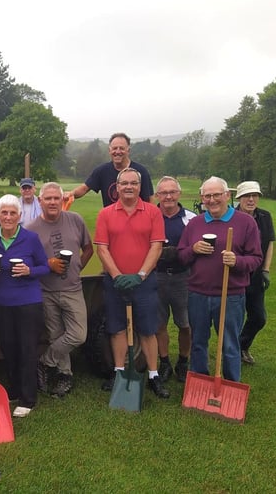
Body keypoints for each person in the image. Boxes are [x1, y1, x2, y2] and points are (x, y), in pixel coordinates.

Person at [177, 176, 262, 382]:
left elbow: (256, 258)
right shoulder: (195, 224)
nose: (212, 200)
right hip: (198, 294)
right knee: (198, 342)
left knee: (230, 344)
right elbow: (181, 255)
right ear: (202, 198)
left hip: (230, 296)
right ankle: (200, 381)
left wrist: (237, 261)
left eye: (216, 195)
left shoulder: (245, 222)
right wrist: (193, 249)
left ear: (227, 195)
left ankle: (232, 383)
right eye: (207, 196)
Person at [94, 167, 169, 399]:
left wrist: (141, 274)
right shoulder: (105, 214)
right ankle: (118, 373)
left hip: (144, 282)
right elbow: (102, 248)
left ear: (140, 187)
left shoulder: (152, 213)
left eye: (133, 183)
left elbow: (156, 246)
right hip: (115, 282)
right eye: (124, 183)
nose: (128, 187)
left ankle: (153, 375)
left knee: (148, 329)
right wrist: (117, 276)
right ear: (117, 187)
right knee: (116, 328)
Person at [26, 182, 93, 398]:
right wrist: (48, 265)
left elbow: (88, 248)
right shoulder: (31, 229)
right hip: (46, 291)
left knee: (78, 335)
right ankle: (65, 375)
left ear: (62, 200)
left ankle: (44, 361)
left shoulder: (75, 220)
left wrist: (77, 267)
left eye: (57, 198)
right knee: (56, 335)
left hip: (73, 288)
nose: (53, 202)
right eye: (48, 198)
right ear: (40, 201)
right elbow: (30, 264)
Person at [0, 194, 49, 417]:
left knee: (27, 349)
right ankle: (14, 389)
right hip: (2, 302)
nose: (9, 217)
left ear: (20, 216)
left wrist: (29, 271)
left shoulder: (30, 238)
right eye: (4, 212)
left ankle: (28, 398)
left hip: (28, 302)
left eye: (13, 213)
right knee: (9, 348)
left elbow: (45, 267)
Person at [153, 176, 197, 383]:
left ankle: (183, 361)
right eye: (163, 193)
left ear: (179, 194)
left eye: (172, 192)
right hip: (156, 277)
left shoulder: (191, 218)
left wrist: (180, 253)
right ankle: (164, 363)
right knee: (159, 324)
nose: (168, 196)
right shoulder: (150, 215)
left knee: (185, 324)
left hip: (183, 277)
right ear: (157, 195)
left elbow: (198, 249)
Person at [235, 181, 276, 365]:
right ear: (239, 198)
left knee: (258, 317)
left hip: (256, 275)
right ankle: (231, 352)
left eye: (254, 196)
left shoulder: (265, 217)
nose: (251, 199)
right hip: (236, 275)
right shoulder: (231, 216)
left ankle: (240, 345)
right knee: (233, 319)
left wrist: (266, 270)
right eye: (246, 196)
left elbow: (270, 244)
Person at [65, 132, 154, 206]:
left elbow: (149, 200)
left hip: (136, 223)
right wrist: (70, 194)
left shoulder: (141, 172)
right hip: (111, 222)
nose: (118, 152)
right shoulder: (102, 171)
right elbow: (84, 188)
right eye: (115, 148)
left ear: (128, 150)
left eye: (121, 148)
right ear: (109, 150)